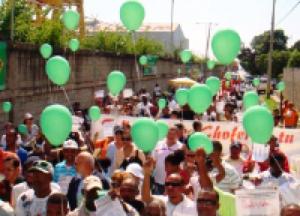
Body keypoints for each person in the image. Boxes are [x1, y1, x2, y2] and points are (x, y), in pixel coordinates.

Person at [152, 127, 183, 194]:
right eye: (169, 133)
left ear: (177, 135)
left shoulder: (181, 147)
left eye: (173, 134)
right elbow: (153, 160)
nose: (171, 136)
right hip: (158, 182)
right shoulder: (158, 144)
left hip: (173, 185)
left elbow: (182, 165)